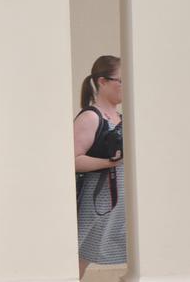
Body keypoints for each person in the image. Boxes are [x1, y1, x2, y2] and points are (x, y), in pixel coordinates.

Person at [74, 55, 126, 278]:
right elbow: (73, 159)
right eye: (121, 81)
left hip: (121, 201)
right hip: (96, 202)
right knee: (80, 256)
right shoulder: (90, 117)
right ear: (102, 82)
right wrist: (109, 163)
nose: (126, 87)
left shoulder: (122, 117)